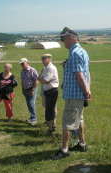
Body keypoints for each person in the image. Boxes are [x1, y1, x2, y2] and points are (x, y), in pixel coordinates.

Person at [50, 28, 92, 160]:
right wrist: (87, 90)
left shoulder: (74, 53)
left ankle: (64, 150)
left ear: (71, 38)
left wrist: (86, 92)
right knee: (79, 120)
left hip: (74, 95)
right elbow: (87, 73)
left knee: (67, 122)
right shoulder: (81, 51)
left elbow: (80, 76)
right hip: (77, 93)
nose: (62, 41)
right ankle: (82, 143)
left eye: (64, 38)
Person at [38, 54, 59, 135]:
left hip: (52, 90)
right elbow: (39, 78)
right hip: (47, 91)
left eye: (44, 58)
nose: (42, 60)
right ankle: (52, 127)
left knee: (50, 110)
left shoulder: (51, 68)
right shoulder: (44, 68)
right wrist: (41, 79)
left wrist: (41, 79)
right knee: (49, 109)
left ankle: (51, 129)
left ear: (49, 59)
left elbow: (45, 80)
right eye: (42, 58)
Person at [20, 58, 38, 125]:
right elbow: (22, 81)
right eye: (21, 64)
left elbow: (36, 81)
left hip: (32, 89)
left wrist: (33, 90)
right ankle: (31, 117)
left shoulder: (32, 70)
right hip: (25, 89)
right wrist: (22, 89)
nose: (22, 65)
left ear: (27, 62)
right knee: (28, 104)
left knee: (31, 104)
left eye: (23, 63)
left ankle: (34, 119)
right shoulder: (22, 71)